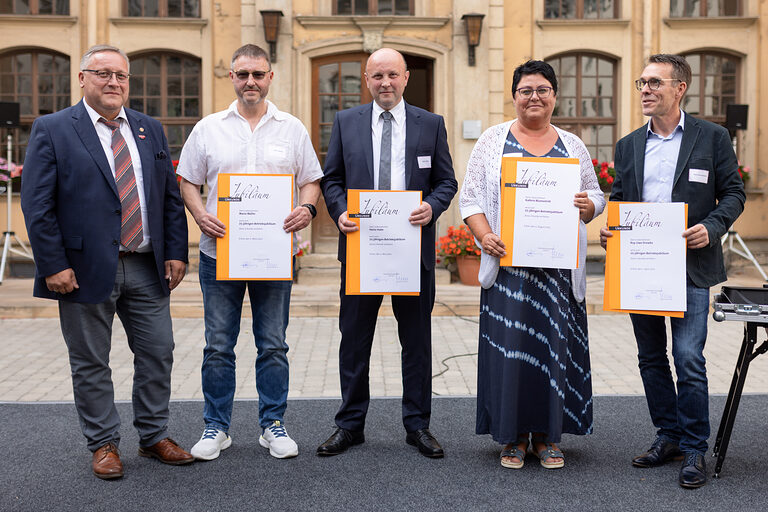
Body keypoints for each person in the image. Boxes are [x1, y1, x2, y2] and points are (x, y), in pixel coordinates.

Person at [20, 45, 193, 479]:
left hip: (146, 264)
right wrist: (52, 264)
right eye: (103, 74)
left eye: (121, 76)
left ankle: (153, 436)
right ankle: (103, 443)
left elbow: (169, 198)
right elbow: (37, 205)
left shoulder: (148, 129)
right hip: (81, 270)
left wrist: (176, 250)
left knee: (159, 351)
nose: (113, 82)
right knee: (91, 361)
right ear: (82, 78)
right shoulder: (53, 128)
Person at [600, 54, 745, 489]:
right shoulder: (628, 145)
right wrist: (612, 231)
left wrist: (712, 226)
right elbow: (620, 197)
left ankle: (696, 448)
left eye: (654, 83)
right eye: (642, 82)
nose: (645, 89)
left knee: (688, 358)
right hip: (640, 267)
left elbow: (734, 193)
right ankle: (669, 436)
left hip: (691, 267)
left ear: (679, 88)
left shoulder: (712, 137)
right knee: (649, 358)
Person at [176, 44, 323, 461]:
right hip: (218, 252)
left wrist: (307, 208)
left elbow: (311, 179)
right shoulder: (208, 128)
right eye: (243, 75)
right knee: (218, 345)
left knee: (273, 344)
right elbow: (187, 179)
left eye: (258, 74)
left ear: (270, 77)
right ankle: (215, 427)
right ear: (232, 78)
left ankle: (272, 425)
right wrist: (201, 214)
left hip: (274, 255)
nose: (250, 82)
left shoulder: (291, 128)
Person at [459, 60, 605, 470]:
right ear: (514, 95)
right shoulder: (492, 140)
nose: (534, 97)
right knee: (512, 352)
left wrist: (588, 205)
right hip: (509, 271)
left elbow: (596, 196)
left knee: (553, 350)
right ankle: (513, 438)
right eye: (526, 90)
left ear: (555, 96)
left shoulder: (573, 145)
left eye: (542, 89)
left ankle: (547, 437)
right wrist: (484, 234)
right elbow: (469, 199)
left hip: (558, 274)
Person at [317, 48, 457, 458]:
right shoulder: (346, 122)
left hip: (412, 253)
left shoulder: (430, 124)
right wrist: (340, 211)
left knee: (416, 342)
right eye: (377, 75)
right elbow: (332, 179)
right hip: (362, 250)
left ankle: (418, 426)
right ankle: (349, 426)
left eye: (392, 75)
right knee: (354, 342)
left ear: (406, 77)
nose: (385, 83)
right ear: (366, 78)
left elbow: (446, 182)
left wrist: (432, 206)